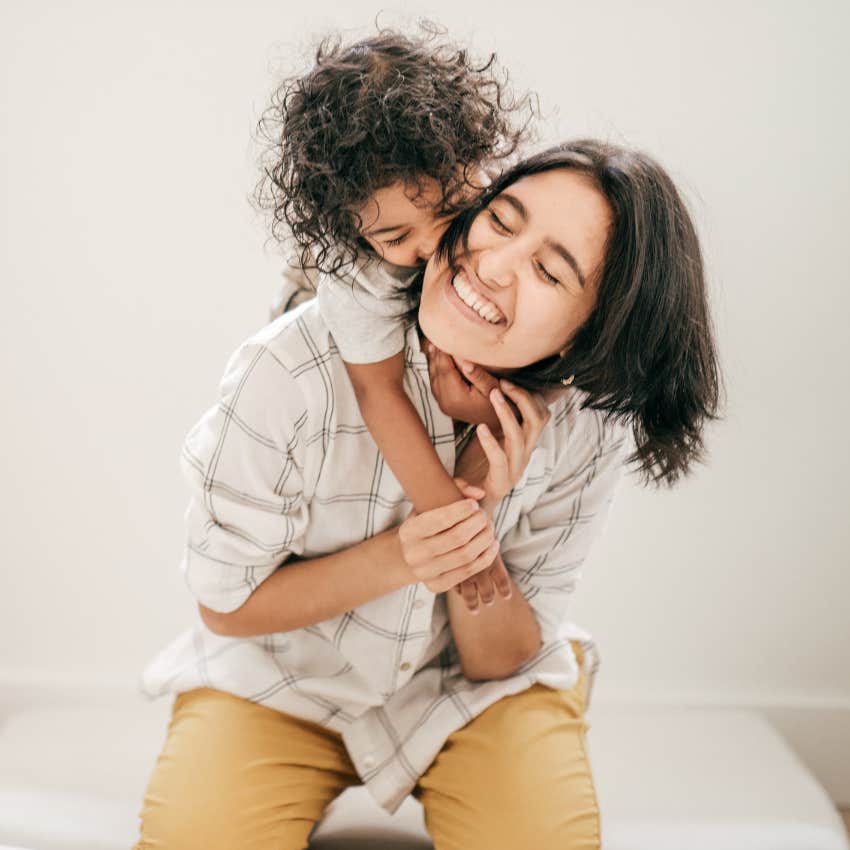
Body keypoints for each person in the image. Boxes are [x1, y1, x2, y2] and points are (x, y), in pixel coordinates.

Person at [135, 140, 720, 850]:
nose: (493, 265)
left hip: (468, 693)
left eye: (547, 270)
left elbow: (498, 661)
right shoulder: (293, 367)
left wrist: (481, 498)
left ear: (584, 338)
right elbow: (223, 607)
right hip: (279, 676)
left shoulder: (582, 429)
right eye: (501, 221)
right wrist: (413, 550)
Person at [255, 28, 535, 611]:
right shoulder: (357, 273)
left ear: (477, 162)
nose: (435, 245)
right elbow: (376, 390)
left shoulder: (512, 204)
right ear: (354, 232)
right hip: (313, 300)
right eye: (395, 236)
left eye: (453, 211)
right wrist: (455, 525)